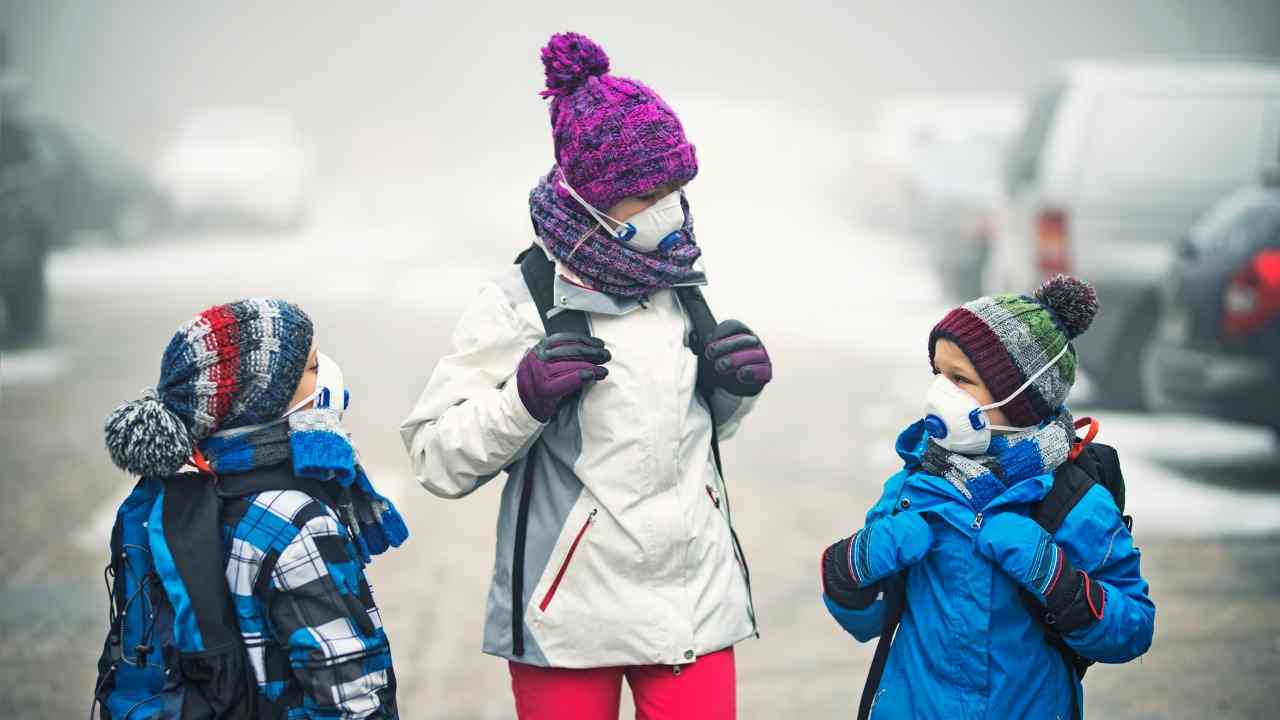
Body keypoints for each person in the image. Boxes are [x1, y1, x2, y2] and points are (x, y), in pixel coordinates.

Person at [400, 32, 771, 720]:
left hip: (693, 610)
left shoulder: (682, 281)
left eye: (676, 189)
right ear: (591, 196)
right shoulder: (523, 298)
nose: (668, 209)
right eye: (646, 195)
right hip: (566, 618)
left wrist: (731, 390)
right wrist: (523, 400)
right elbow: (435, 457)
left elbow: (686, 432)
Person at [819, 275, 1155, 719]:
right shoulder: (914, 485)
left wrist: (1057, 579)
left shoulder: (1073, 501)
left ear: (1021, 399)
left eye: (961, 379)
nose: (941, 392)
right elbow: (866, 620)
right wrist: (852, 568)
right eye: (938, 373)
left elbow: (1132, 628)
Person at [102, 298, 402, 718]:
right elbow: (348, 695)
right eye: (312, 368)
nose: (328, 376)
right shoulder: (295, 521)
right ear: (261, 402)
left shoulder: (165, 494)